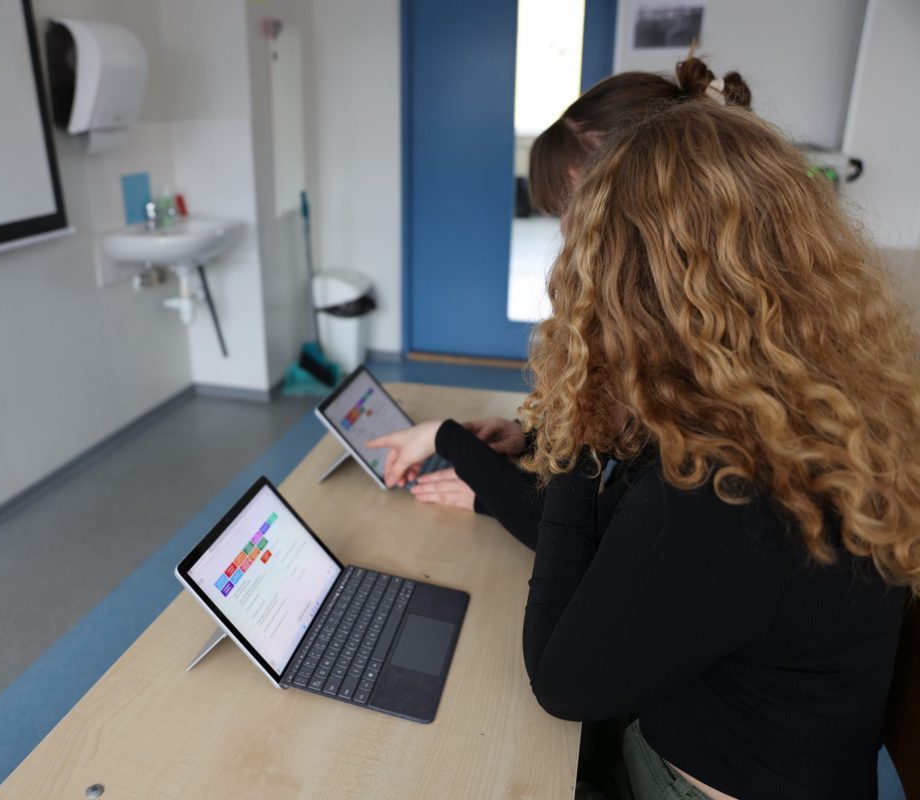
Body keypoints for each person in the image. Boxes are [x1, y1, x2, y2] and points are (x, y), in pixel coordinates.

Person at [374, 97, 919, 798]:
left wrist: (573, 419)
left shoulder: (724, 492)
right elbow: (632, 555)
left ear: (629, 291)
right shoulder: (808, 408)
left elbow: (560, 681)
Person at [383, 56, 754, 526]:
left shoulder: (702, 374)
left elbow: (586, 535)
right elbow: (612, 451)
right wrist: (528, 440)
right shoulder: (669, 317)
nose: (566, 228)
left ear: (653, 194)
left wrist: (446, 441)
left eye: (575, 202)